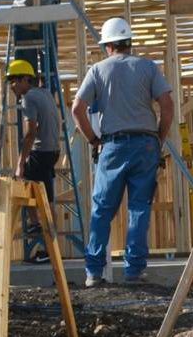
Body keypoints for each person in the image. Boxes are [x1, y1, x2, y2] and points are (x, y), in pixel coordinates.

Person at [70, 17, 173, 287]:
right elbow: (167, 105)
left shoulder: (98, 70)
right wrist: (158, 140)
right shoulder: (148, 67)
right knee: (139, 209)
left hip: (113, 145)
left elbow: (77, 110)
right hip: (146, 144)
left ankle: (94, 273)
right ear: (128, 43)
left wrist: (94, 141)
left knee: (102, 210)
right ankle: (134, 272)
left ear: (108, 45)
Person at [5, 58, 59, 264]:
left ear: (27, 79)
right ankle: (47, 242)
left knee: (21, 187)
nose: (12, 85)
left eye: (15, 80)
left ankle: (44, 239)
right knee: (46, 199)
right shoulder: (45, 94)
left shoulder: (28, 98)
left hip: (39, 152)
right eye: (10, 80)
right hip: (51, 151)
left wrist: (20, 163)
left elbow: (30, 133)